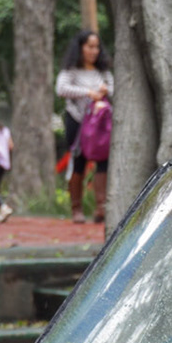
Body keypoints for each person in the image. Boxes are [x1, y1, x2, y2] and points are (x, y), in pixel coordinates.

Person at [55, 30, 112, 223]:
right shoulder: (70, 71)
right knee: (78, 160)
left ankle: (101, 207)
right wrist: (88, 92)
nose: (94, 51)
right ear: (80, 48)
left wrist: (104, 91)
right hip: (77, 121)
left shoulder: (103, 72)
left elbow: (113, 88)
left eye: (97, 47)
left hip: (101, 123)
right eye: (90, 46)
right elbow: (61, 89)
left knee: (103, 160)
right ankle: (76, 209)